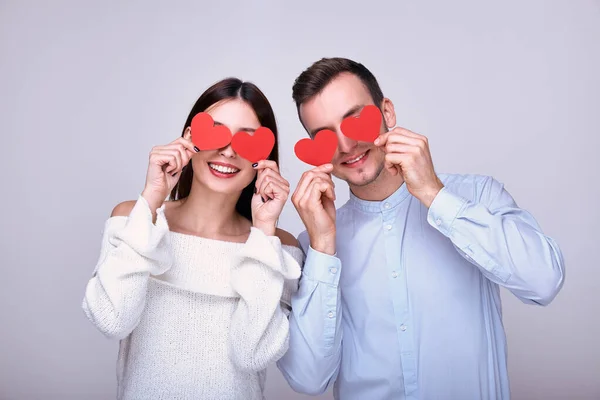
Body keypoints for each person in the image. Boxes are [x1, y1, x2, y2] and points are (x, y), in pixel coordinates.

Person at [277, 58, 565, 400]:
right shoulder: (316, 245)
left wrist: (434, 194)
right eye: (324, 136)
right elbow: (308, 380)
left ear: (388, 112)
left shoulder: (478, 196)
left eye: (355, 120)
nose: (346, 145)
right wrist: (324, 247)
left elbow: (544, 282)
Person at [82, 78, 303, 400]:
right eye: (215, 132)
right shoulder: (135, 219)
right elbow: (112, 319)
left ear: (264, 157)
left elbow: (253, 353)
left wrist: (264, 231)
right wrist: (152, 200)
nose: (228, 151)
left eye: (247, 141)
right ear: (188, 138)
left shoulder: (276, 245)